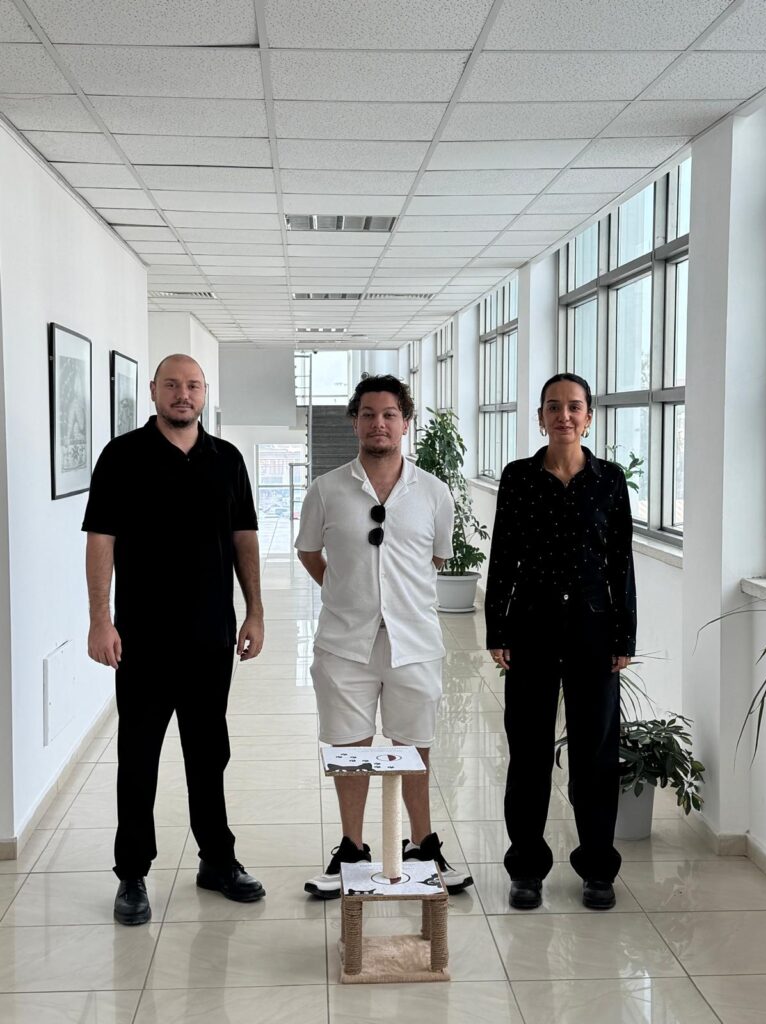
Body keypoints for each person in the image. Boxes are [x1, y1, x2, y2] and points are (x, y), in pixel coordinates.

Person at [83, 354, 266, 925]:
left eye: (192, 386)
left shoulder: (227, 459)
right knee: (138, 757)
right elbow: (100, 540)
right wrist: (99, 619)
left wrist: (255, 612)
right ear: (154, 391)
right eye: (171, 385)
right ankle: (132, 873)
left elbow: (244, 538)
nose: (182, 394)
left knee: (209, 754)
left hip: (211, 636)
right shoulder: (122, 456)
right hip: (141, 639)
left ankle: (217, 860)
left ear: (204, 393)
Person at [296, 374, 473, 899]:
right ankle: (351, 848)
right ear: (354, 422)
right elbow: (309, 552)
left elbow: (435, 558)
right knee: (349, 750)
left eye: (390, 414)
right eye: (369, 414)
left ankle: (422, 844)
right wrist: (347, 592)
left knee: (414, 748)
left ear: (405, 423)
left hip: (413, 643)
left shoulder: (434, 493)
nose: (379, 423)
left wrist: (393, 600)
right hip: (343, 644)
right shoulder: (326, 489)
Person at [485, 373, 636, 911]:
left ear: (589, 417)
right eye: (554, 406)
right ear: (541, 417)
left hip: (594, 630)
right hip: (532, 626)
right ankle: (526, 867)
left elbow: (621, 562)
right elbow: (503, 555)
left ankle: (597, 868)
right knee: (528, 751)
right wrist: (497, 628)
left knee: (595, 753)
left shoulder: (609, 480)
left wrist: (624, 634)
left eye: (574, 407)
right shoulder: (519, 477)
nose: (564, 415)